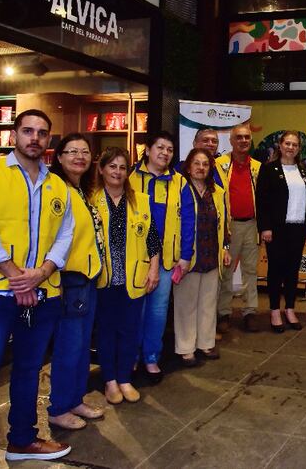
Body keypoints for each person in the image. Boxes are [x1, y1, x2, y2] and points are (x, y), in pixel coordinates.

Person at [0, 109, 74, 466]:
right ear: (14, 135)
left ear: (49, 141)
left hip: (42, 295)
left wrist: (39, 274)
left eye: (42, 133)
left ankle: (22, 440)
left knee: (28, 369)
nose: (34, 138)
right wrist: (16, 276)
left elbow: (65, 236)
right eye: (28, 131)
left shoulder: (58, 186)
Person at [93, 148, 161, 404]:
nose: (117, 172)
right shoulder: (92, 200)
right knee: (107, 330)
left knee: (130, 330)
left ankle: (124, 378)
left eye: (122, 167)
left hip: (134, 278)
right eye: (112, 166)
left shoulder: (140, 200)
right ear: (101, 169)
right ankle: (110, 380)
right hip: (104, 279)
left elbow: (152, 238)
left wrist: (154, 269)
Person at [47, 134, 104, 430]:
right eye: (72, 152)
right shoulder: (56, 189)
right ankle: (59, 407)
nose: (79, 157)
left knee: (81, 344)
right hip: (69, 278)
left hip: (87, 276)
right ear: (59, 157)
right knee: (69, 345)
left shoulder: (80, 189)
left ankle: (75, 399)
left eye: (85, 152)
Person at [129, 131, 195, 383]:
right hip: (135, 260)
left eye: (169, 149)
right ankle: (131, 354)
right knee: (136, 311)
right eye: (160, 147)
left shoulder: (179, 182)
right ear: (147, 150)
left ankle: (151, 356)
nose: (165, 153)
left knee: (157, 311)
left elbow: (189, 220)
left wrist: (186, 255)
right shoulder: (130, 178)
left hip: (167, 260)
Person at [174, 148, 231, 365]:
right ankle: (186, 347)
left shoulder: (217, 191)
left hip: (211, 254)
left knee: (208, 302)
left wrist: (225, 247)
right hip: (188, 255)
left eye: (205, 164)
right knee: (186, 303)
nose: (201, 168)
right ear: (188, 167)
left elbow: (224, 223)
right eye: (196, 163)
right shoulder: (181, 189)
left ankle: (206, 343)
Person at [256, 131, 306, 332]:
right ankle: (274, 310)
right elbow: (262, 201)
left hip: (298, 229)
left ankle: (290, 308)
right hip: (276, 230)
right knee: (275, 271)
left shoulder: (304, 170)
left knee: (292, 271)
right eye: (287, 143)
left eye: (295, 144)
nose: (291, 147)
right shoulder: (269, 169)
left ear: (299, 148)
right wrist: (265, 227)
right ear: (280, 145)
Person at [215, 124, 262, 332]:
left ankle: (250, 310)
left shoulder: (258, 167)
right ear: (231, 141)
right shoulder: (219, 164)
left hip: (252, 224)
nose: (243, 141)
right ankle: (223, 312)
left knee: (251, 270)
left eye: (246, 137)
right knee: (225, 270)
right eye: (239, 137)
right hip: (229, 225)